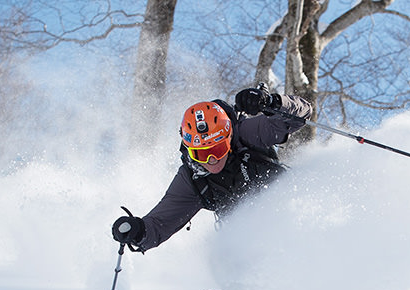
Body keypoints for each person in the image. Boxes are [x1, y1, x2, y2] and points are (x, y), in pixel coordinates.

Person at [111, 85, 313, 252]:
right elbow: (159, 224)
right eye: (200, 154)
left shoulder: (246, 134)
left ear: (228, 137)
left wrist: (272, 103)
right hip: (250, 239)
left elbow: (301, 113)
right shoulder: (191, 180)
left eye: (217, 149)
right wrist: (138, 231)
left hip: (291, 211)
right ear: (190, 151)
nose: (211, 159)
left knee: (298, 236)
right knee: (235, 250)